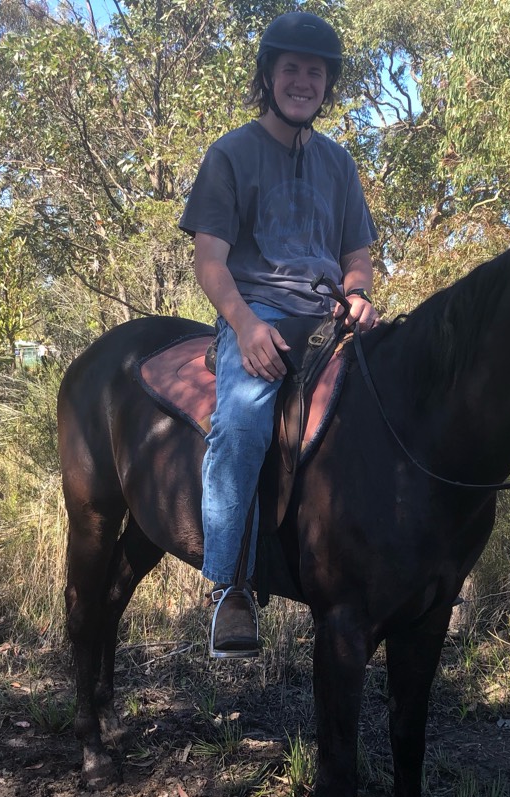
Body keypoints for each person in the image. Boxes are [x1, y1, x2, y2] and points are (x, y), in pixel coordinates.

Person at [178, 11, 379, 658]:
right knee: (241, 423)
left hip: (329, 319)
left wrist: (358, 295)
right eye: (291, 68)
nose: (302, 82)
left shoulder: (338, 163)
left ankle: (398, 558)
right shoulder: (230, 155)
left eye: (315, 73)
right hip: (257, 312)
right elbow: (210, 261)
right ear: (268, 76)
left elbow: (356, 256)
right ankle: (230, 588)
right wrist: (245, 326)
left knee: (394, 403)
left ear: (328, 85)